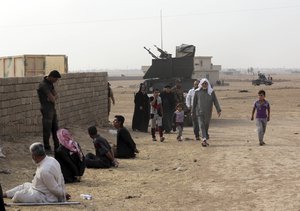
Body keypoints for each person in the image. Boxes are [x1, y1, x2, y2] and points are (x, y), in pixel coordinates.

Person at [2, 142, 69, 203]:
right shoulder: (52, 160)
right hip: (38, 189)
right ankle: (3, 195)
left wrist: (63, 194)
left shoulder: (45, 170)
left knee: (18, 195)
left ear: (34, 156)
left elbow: (54, 189)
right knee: (25, 185)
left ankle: (13, 197)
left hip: (44, 196)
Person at [37, 70, 61, 152]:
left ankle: (57, 147)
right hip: (46, 110)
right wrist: (52, 98)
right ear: (51, 77)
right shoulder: (43, 85)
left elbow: (56, 96)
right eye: (55, 79)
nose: (56, 81)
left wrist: (52, 98)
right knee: (47, 130)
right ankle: (47, 147)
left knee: (55, 129)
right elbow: (53, 99)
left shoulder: (50, 83)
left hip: (52, 109)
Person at [192, 78, 221, 147]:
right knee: (201, 125)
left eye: (206, 83)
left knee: (206, 125)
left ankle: (205, 135)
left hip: (208, 112)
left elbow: (215, 101)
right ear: (201, 84)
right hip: (199, 112)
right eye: (203, 84)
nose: (204, 85)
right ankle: (204, 139)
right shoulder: (197, 92)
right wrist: (192, 111)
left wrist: (218, 110)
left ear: (208, 84)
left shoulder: (211, 92)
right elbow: (194, 103)